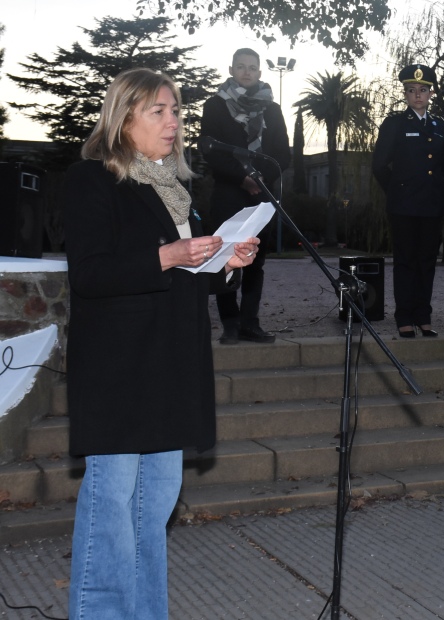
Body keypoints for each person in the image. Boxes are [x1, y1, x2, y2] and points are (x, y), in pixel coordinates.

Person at [64, 68, 260, 619]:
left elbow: (182, 276)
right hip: (120, 371)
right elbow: (91, 274)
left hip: (171, 365)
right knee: (113, 510)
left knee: (153, 512)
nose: (173, 121)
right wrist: (171, 255)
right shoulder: (93, 180)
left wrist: (224, 264)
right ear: (124, 118)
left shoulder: (175, 188)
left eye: (176, 111)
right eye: (159, 111)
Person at [200, 47, 290, 344]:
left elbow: (283, 154)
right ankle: (230, 324)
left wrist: (261, 179)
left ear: (260, 73)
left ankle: (251, 322)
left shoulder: (273, 110)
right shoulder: (215, 106)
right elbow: (209, 150)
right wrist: (242, 177)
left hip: (261, 195)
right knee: (225, 256)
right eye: (241, 66)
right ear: (231, 69)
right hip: (228, 192)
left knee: (255, 261)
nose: (247, 72)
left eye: (252, 67)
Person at [372, 64, 444, 338]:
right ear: (405, 94)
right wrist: (396, 189)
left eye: (424, 90)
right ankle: (404, 316)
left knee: (427, 261)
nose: (418, 95)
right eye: (412, 90)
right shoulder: (394, 124)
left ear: (431, 93)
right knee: (405, 261)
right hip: (403, 205)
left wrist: (442, 198)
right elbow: (379, 164)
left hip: (430, 205)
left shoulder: (440, 126)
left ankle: (423, 315)